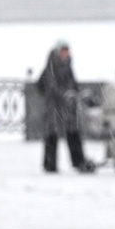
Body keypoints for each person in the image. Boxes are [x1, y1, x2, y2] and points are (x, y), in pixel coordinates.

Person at [36, 40, 92, 173]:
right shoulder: (52, 65)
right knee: (52, 132)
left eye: (67, 51)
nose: (66, 54)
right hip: (54, 105)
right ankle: (50, 164)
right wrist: (65, 94)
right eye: (63, 51)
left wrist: (76, 93)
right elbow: (51, 85)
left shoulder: (67, 64)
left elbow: (72, 82)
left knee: (73, 131)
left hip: (67, 104)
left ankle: (78, 162)